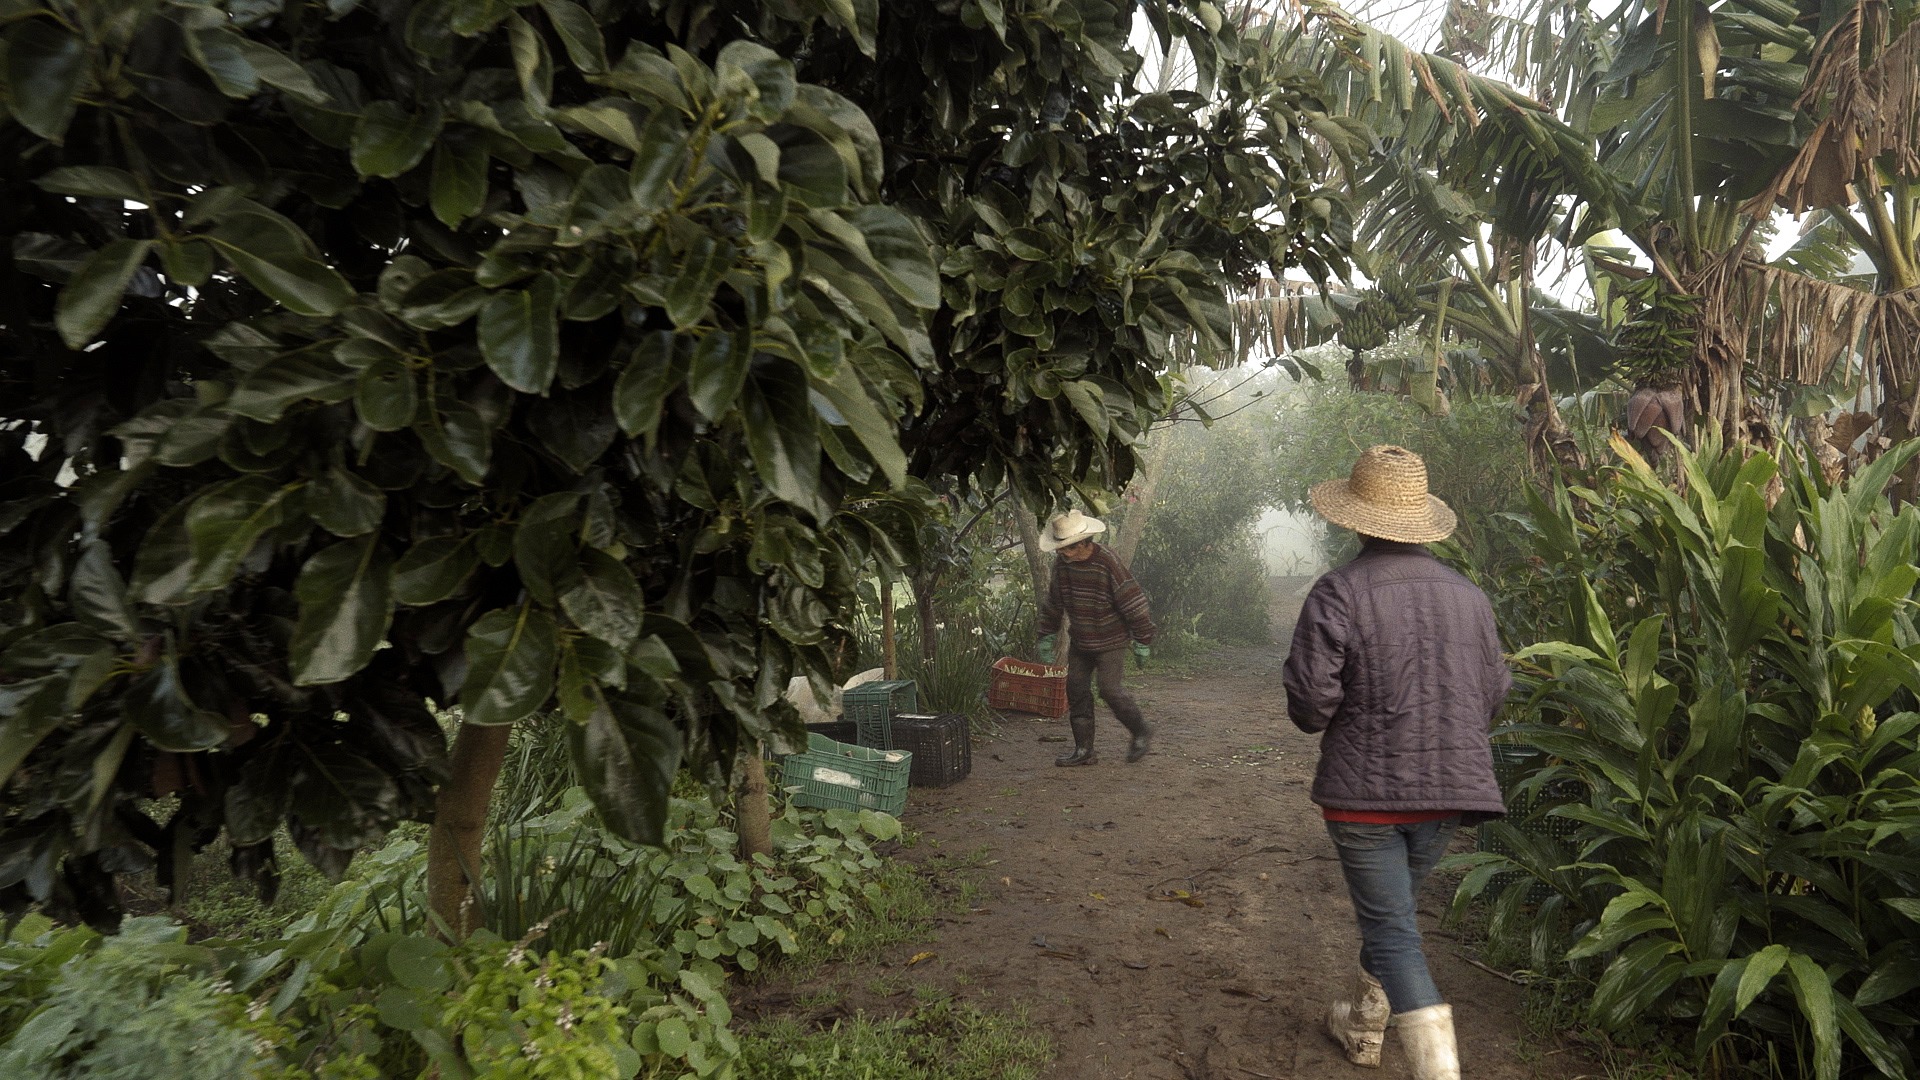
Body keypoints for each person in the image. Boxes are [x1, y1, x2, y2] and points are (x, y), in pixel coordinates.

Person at [1281, 446, 1509, 1080]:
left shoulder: (1339, 593)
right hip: (1448, 797)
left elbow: (1310, 705)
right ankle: (1362, 1028)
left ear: (1355, 520)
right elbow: (1493, 692)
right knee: (1395, 916)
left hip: (1365, 801)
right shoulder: (1469, 596)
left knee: (1392, 932)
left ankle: (1439, 1073)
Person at [1034, 509, 1156, 767]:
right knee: (1076, 689)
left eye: (1066, 548)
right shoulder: (1062, 565)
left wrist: (1143, 639)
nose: (1061, 553)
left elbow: (1133, 601)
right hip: (1081, 639)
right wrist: (1046, 633)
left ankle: (1141, 730)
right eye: (1059, 548)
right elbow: (1054, 601)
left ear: (1083, 543)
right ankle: (1084, 750)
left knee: (1109, 690)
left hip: (1111, 639)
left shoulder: (1107, 562)